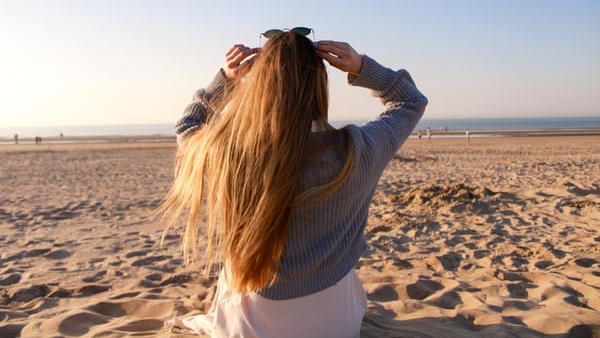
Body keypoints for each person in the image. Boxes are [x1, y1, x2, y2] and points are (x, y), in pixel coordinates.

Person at [158, 30, 428, 337]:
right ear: (319, 84)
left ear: (260, 84)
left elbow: (188, 127)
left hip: (252, 325)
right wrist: (359, 65)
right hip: (335, 321)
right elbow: (410, 101)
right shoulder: (357, 150)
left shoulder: (231, 153)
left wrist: (225, 80)